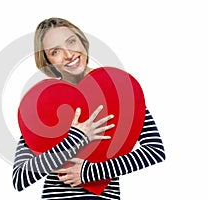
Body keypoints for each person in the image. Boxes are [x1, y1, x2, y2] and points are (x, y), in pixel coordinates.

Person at [12, 17, 165, 199]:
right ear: (47, 61)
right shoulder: (43, 101)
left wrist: (89, 172)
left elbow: (155, 150)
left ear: (82, 41)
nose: (69, 54)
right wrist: (76, 138)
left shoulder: (119, 90)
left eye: (71, 41)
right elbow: (20, 178)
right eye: (55, 51)